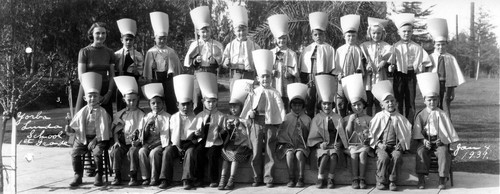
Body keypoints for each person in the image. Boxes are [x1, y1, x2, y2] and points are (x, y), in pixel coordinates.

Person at [240, 49, 286, 188]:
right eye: (262, 77)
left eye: (267, 77)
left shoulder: (274, 92)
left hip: (270, 123)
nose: (265, 79)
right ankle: (256, 177)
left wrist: (280, 121)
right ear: (258, 78)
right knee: (256, 151)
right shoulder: (254, 92)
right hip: (256, 123)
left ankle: (268, 178)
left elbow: (280, 108)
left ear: (271, 78)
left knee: (270, 151)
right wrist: (249, 115)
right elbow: (248, 108)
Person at [413, 72, 459, 190]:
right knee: (421, 152)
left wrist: (442, 140)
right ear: (424, 100)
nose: (432, 102)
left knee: (443, 153)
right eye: (429, 100)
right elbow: (417, 131)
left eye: (434, 100)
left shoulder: (442, 114)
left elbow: (447, 131)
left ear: (438, 100)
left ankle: (442, 178)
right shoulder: (421, 115)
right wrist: (423, 141)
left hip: (439, 142)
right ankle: (421, 178)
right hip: (426, 141)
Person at [66, 72, 112, 187]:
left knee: (97, 153)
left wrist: (95, 141)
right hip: (83, 138)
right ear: (85, 98)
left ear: (99, 98)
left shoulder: (103, 112)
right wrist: (69, 128)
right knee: (74, 153)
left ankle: (98, 174)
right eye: (90, 96)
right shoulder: (82, 112)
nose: (92, 98)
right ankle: (77, 175)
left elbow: (104, 130)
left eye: (95, 96)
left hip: (98, 139)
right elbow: (75, 128)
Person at [368, 80, 412, 191]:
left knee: (397, 156)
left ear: (396, 103)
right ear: (382, 105)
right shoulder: (378, 117)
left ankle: (393, 179)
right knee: (383, 157)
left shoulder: (400, 118)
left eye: (392, 101)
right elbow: (371, 133)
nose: (390, 103)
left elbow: (406, 132)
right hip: (382, 146)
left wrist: (401, 144)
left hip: (395, 146)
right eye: (387, 102)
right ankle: (381, 180)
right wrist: (378, 144)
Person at [307, 74, 348, 189]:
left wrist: (339, 143)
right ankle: (320, 177)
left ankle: (330, 178)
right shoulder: (317, 118)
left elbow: (341, 134)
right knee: (324, 155)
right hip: (322, 145)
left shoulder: (337, 117)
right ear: (321, 105)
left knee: (334, 155)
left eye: (329, 103)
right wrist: (320, 144)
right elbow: (313, 136)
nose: (327, 106)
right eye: (324, 103)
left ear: (332, 105)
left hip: (333, 145)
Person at [389, 13, 431, 123]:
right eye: (404, 31)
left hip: (411, 75)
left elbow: (425, 61)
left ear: (412, 32)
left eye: (409, 31)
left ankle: (410, 126)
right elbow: (390, 62)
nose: (406, 33)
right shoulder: (395, 46)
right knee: (398, 101)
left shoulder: (417, 47)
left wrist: (421, 68)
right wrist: (391, 67)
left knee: (410, 102)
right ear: (399, 32)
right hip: (398, 75)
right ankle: (399, 124)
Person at [159, 74, 198, 189]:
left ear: (192, 104)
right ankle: (165, 179)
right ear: (177, 105)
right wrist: (175, 144)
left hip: (190, 143)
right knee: (167, 152)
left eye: (188, 104)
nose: (185, 107)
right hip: (176, 143)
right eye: (183, 105)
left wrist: (196, 138)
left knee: (190, 153)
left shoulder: (196, 117)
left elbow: (197, 136)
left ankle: (187, 179)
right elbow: (170, 133)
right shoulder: (173, 117)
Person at [299, 12, 340, 118]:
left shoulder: (329, 48)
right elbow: (303, 67)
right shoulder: (307, 49)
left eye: (320, 34)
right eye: (315, 34)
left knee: (322, 100)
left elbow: (332, 68)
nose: (318, 37)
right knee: (310, 101)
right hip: (310, 79)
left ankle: (322, 122)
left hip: (324, 78)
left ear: (324, 34)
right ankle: (310, 121)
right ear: (312, 36)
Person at [190, 72, 227, 188]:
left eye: (213, 102)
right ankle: (198, 178)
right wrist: (195, 134)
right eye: (208, 102)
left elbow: (225, 132)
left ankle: (213, 179)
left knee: (213, 154)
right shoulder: (199, 115)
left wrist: (222, 132)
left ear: (217, 102)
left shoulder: (221, 116)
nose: (211, 104)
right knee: (197, 153)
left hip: (215, 141)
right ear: (203, 102)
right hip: (202, 140)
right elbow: (192, 131)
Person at [185, 6, 224, 114]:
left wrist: (215, 61)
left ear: (210, 31)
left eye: (207, 31)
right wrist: (195, 61)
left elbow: (221, 61)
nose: (205, 34)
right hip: (199, 73)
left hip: (211, 73)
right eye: (202, 32)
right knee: (198, 99)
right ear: (198, 32)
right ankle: (198, 124)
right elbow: (189, 61)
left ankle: (211, 124)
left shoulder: (217, 45)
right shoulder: (194, 44)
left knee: (211, 99)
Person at [426, 18, 466, 117]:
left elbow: (454, 74)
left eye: (443, 45)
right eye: (438, 45)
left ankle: (448, 127)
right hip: (435, 83)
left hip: (447, 85)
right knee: (435, 104)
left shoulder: (450, 58)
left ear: (446, 45)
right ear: (434, 45)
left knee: (445, 105)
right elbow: (426, 72)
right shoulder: (430, 57)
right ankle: (435, 125)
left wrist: (452, 89)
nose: (441, 47)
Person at [109, 76, 145, 186]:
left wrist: (138, 141)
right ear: (124, 99)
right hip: (123, 142)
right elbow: (115, 130)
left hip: (135, 142)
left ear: (138, 99)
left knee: (133, 151)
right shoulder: (120, 114)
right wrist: (116, 141)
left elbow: (142, 130)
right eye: (129, 100)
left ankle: (133, 176)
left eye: (134, 100)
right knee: (116, 151)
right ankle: (117, 175)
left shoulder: (141, 114)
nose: (131, 103)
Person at [218, 79, 253, 190]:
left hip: (242, 145)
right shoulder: (227, 118)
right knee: (225, 156)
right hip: (230, 144)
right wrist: (228, 127)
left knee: (234, 157)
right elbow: (223, 132)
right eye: (231, 107)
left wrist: (240, 124)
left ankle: (231, 179)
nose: (233, 109)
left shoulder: (245, 119)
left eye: (236, 107)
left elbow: (247, 132)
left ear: (241, 107)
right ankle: (222, 178)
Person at [143, 12, 182, 115]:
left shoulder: (171, 51)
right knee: (157, 99)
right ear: (155, 38)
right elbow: (147, 70)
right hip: (156, 77)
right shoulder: (150, 52)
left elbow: (176, 67)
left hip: (168, 77)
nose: (162, 40)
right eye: (160, 38)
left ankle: (172, 116)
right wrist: (151, 69)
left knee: (170, 99)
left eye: (164, 38)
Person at [75, 22, 117, 116]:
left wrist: (109, 93)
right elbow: (81, 76)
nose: (101, 36)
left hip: (104, 91)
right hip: (87, 90)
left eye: (103, 33)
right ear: (92, 34)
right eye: (98, 33)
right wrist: (91, 94)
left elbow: (112, 75)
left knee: (105, 122)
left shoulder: (109, 52)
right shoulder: (84, 52)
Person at [341, 74, 372, 189]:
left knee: (363, 153)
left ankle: (362, 178)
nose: (357, 108)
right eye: (354, 105)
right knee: (354, 154)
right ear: (350, 107)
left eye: (359, 105)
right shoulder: (346, 119)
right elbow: (347, 135)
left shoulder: (369, 119)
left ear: (363, 105)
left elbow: (371, 134)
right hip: (351, 146)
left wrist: (367, 135)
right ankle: (355, 178)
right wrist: (350, 121)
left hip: (364, 145)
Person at [277, 83, 311, 188]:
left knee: (299, 154)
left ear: (303, 106)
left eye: (299, 105)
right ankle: (291, 178)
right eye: (294, 105)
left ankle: (301, 177)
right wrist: (284, 142)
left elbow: (310, 135)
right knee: (290, 154)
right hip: (288, 144)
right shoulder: (286, 118)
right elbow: (281, 133)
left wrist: (303, 129)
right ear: (290, 105)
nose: (297, 107)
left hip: (302, 145)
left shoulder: (307, 119)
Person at [137, 83, 171, 186]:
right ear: (149, 104)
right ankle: (145, 177)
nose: (156, 105)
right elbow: (142, 135)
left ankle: (154, 178)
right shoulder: (146, 117)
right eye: (153, 103)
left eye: (159, 103)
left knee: (153, 153)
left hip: (160, 144)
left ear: (163, 104)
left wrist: (157, 144)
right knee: (142, 151)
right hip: (148, 143)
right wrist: (147, 127)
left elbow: (168, 135)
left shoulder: (168, 117)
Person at [223, 5, 261, 91]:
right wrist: (226, 62)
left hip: (249, 74)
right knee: (235, 98)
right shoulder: (230, 45)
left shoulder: (254, 45)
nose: (241, 33)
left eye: (244, 30)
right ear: (234, 31)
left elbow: (259, 61)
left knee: (248, 97)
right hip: (235, 74)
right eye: (239, 31)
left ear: (247, 30)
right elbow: (223, 62)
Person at [360, 17, 393, 116]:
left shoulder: (387, 46)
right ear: (369, 33)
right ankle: (369, 119)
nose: (376, 35)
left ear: (382, 33)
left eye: (378, 33)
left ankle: (380, 118)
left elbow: (391, 63)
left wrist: (385, 63)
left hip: (381, 76)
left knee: (379, 100)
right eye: (374, 33)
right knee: (369, 101)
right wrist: (366, 66)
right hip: (369, 77)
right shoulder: (364, 46)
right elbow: (361, 61)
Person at [268, 14, 299, 111]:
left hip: (287, 83)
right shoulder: (271, 53)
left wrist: (289, 71)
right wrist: (271, 72)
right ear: (275, 39)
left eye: (284, 38)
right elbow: (267, 68)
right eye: (279, 38)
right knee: (275, 104)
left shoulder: (292, 53)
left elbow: (296, 71)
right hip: (275, 82)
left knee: (286, 105)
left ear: (287, 38)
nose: (282, 40)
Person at [335, 14, 364, 117]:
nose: (351, 38)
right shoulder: (340, 50)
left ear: (356, 36)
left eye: (353, 36)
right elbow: (336, 65)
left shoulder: (358, 50)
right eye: (349, 36)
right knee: (340, 103)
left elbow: (360, 66)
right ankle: (341, 120)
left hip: (353, 80)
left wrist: (358, 74)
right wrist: (338, 74)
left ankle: (352, 120)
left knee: (353, 101)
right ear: (344, 36)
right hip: (341, 80)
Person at [114, 18, 144, 111]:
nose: (128, 42)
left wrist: (138, 72)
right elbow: (113, 69)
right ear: (121, 40)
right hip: (121, 80)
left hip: (133, 79)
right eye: (126, 39)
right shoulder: (117, 54)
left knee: (133, 103)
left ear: (133, 40)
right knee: (120, 103)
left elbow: (141, 69)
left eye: (131, 40)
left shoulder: (138, 55)